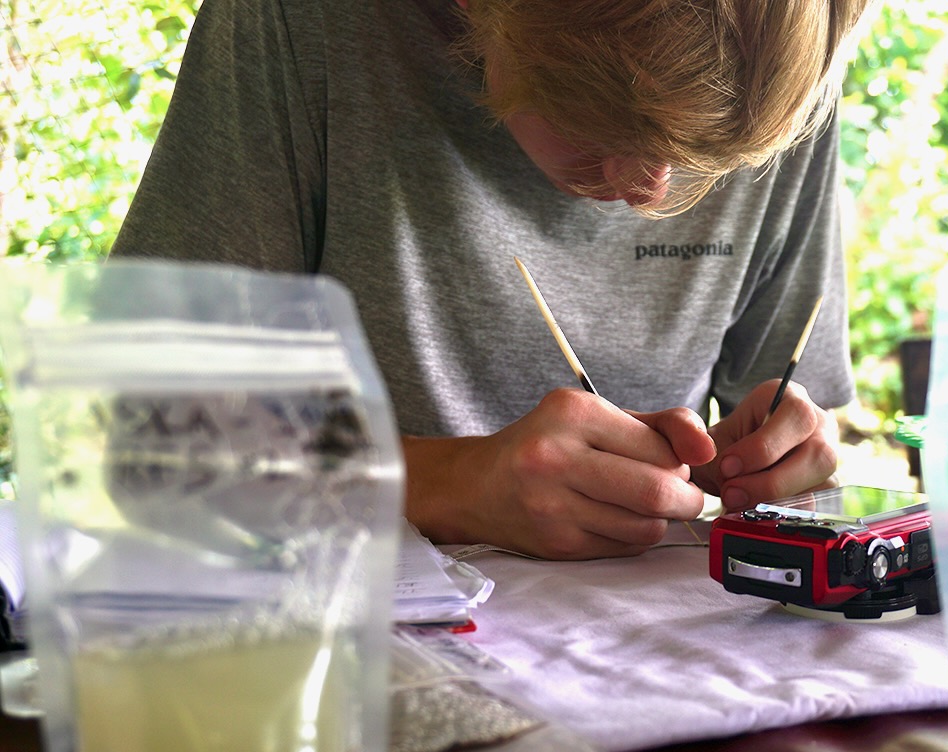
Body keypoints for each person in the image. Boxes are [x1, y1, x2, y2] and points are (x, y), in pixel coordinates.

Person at [111, 0, 876, 560]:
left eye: (717, 161)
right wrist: (449, 484)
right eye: (601, 132)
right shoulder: (301, 27)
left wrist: (788, 459)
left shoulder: (786, 71)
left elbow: (789, 432)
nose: (652, 194)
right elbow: (139, 447)